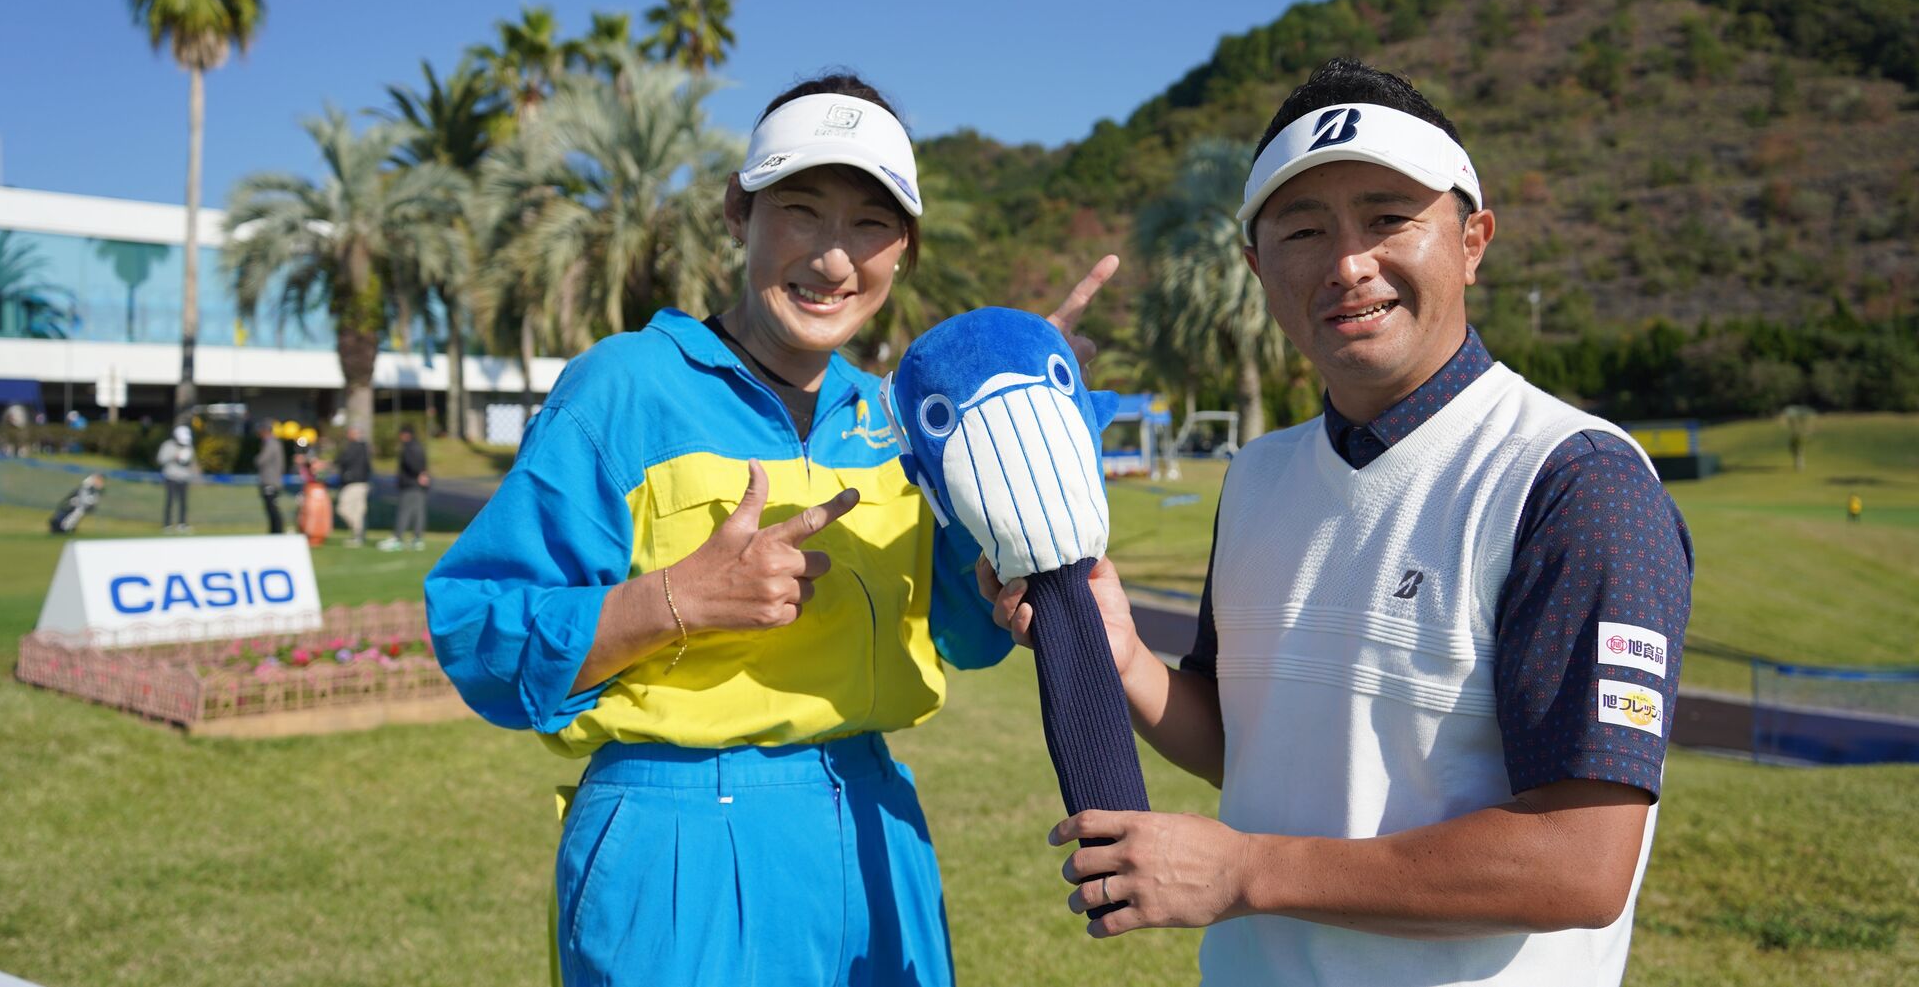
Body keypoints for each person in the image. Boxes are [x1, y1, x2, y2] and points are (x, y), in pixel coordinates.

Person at [981, 58, 1694, 986]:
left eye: (1389, 218)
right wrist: (1125, 660)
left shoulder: (1575, 481)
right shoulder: (1260, 475)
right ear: (1256, 265)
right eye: (1305, 229)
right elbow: (1253, 747)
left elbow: (1581, 860)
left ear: (1473, 238)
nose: (1347, 262)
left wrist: (1243, 871)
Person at [426, 72, 1112, 987]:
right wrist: (673, 599)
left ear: (903, 248)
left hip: (874, 826)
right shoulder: (624, 388)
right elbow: (480, 630)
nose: (834, 259)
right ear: (737, 214)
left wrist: (1015, 434)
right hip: (675, 843)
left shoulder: (899, 421)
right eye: (801, 210)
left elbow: (960, 634)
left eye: (871, 223)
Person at [378, 423, 429, 551]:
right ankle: (417, 539)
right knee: (418, 512)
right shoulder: (419, 446)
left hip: (410, 484)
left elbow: (412, 464)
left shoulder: (409, 448)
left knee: (404, 512)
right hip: (418, 485)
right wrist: (423, 474)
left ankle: (398, 538)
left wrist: (419, 473)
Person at [332, 424, 372, 547]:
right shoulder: (363, 447)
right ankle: (358, 536)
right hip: (361, 483)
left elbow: (342, 460)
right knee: (358, 511)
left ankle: (358, 532)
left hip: (354, 483)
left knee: (343, 508)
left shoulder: (355, 447)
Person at [156, 424, 195, 534]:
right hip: (171, 477)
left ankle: (182, 524)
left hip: (183, 478)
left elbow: (190, 461)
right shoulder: (167, 445)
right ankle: (167, 525)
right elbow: (160, 459)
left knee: (183, 503)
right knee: (170, 501)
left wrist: (185, 459)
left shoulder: (188, 446)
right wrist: (174, 456)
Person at [254, 419, 286, 535]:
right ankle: (275, 532)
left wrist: (256, 460)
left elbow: (261, 460)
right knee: (271, 509)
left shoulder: (271, 443)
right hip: (271, 481)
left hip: (270, 481)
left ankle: (277, 532)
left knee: (273, 509)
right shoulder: (273, 443)